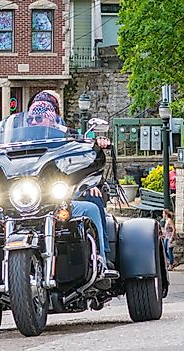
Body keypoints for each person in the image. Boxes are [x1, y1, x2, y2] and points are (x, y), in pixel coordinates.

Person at [24, 92, 117, 275]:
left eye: (40, 117)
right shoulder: (18, 143)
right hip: (24, 201)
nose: (35, 122)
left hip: (62, 198)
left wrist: (96, 144)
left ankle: (102, 260)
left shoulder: (68, 138)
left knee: (91, 207)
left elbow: (84, 155)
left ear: (52, 118)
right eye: (32, 118)